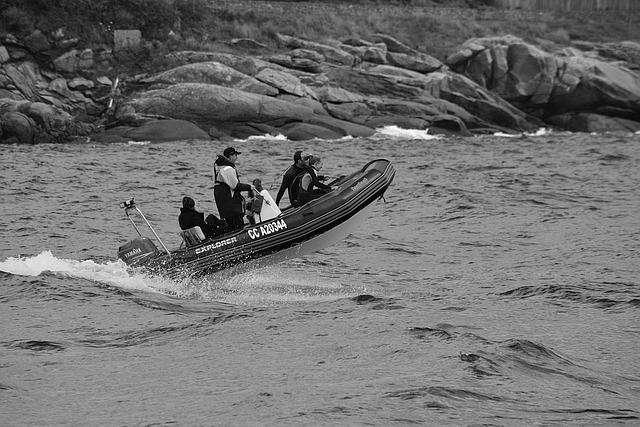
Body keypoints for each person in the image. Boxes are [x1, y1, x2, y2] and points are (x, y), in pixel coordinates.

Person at [213, 146, 253, 231]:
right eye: (235, 155)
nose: (236, 157)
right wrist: (250, 187)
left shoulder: (220, 167)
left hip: (224, 204)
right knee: (238, 224)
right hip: (231, 204)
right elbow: (235, 186)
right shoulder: (227, 169)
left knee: (231, 225)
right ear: (231, 156)